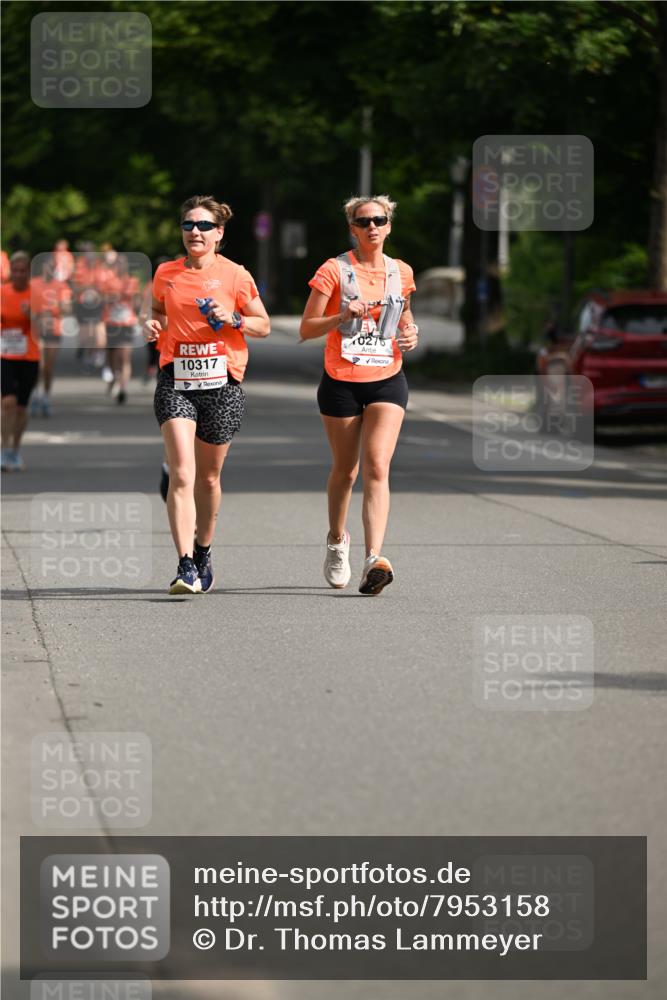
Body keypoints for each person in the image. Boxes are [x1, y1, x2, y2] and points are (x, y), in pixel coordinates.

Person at [144, 195, 270, 594]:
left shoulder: (235, 275)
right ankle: (184, 566)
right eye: (187, 226)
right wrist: (154, 324)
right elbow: (159, 311)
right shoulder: (166, 273)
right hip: (176, 380)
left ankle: (203, 550)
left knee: (209, 478)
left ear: (219, 233)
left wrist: (234, 318)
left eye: (202, 226)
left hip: (222, 384)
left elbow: (263, 325)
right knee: (182, 472)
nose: (194, 232)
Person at [300, 195, 419, 595]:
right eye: (363, 220)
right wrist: (340, 316)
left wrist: (410, 333)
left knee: (377, 466)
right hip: (341, 379)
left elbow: (405, 318)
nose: (372, 226)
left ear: (388, 226)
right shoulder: (334, 270)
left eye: (379, 220)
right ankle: (337, 541)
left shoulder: (400, 271)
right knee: (346, 471)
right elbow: (307, 328)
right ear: (352, 227)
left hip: (388, 377)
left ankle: (374, 559)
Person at [1, 252, 40, 470]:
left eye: (22, 271)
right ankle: (4, 450)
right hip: (5, 354)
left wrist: (31, 315)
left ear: (28, 272)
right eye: (15, 271)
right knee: (7, 403)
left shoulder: (37, 294)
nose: (18, 274)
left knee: (21, 408)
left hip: (29, 356)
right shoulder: (2, 292)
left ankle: (15, 449)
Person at [30, 253, 72, 417]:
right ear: (42, 268)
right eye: (47, 266)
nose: (49, 269)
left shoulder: (61, 286)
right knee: (38, 365)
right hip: (36, 330)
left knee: (48, 367)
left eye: (52, 267)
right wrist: (36, 314)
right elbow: (26, 305)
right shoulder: (33, 284)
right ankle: (34, 394)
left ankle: (46, 396)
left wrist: (57, 308)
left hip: (54, 329)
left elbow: (67, 308)